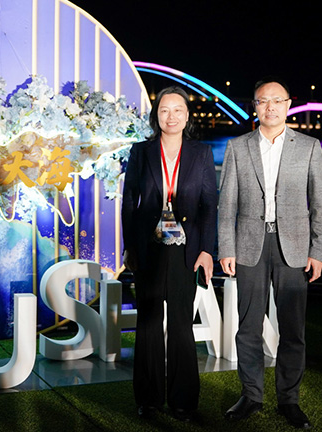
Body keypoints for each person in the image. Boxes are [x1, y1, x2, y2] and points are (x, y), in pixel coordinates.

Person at [218, 76, 322, 429]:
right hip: (249, 246)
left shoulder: (309, 147)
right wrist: (226, 248)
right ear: (255, 106)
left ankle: (289, 400)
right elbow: (226, 205)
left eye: (277, 101)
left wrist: (319, 251)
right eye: (263, 101)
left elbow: (320, 205)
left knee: (293, 329)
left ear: (288, 105)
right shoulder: (238, 147)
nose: (270, 107)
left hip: (294, 247)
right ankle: (251, 395)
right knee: (248, 328)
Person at [121, 86, 217, 421]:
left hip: (185, 250)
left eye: (178, 110)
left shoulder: (201, 153)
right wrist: (130, 246)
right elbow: (129, 203)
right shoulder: (141, 151)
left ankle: (183, 401)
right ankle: (148, 400)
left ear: (187, 116)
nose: (171, 116)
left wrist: (207, 250)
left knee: (180, 324)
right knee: (148, 323)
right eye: (164, 110)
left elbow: (209, 206)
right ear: (156, 115)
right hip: (149, 248)